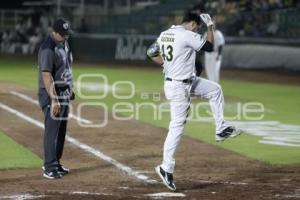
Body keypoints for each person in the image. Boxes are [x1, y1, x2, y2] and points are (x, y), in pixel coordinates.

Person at [147, 12, 241, 191]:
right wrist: (210, 27)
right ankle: (165, 167)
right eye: (197, 27)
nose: (197, 30)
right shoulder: (187, 34)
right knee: (177, 126)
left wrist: (164, 65)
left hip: (185, 81)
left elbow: (150, 52)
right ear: (192, 24)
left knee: (215, 90)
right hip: (178, 87)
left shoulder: (165, 33)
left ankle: (220, 128)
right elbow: (210, 46)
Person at [37, 19, 75, 179]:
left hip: (64, 92)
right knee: (52, 131)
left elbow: (66, 67)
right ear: (55, 32)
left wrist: (70, 89)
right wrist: (54, 99)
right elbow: (46, 75)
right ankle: (49, 166)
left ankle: (56, 162)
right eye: (63, 34)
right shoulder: (48, 48)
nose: (66, 37)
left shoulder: (64, 43)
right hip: (52, 94)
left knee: (61, 131)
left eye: (67, 34)